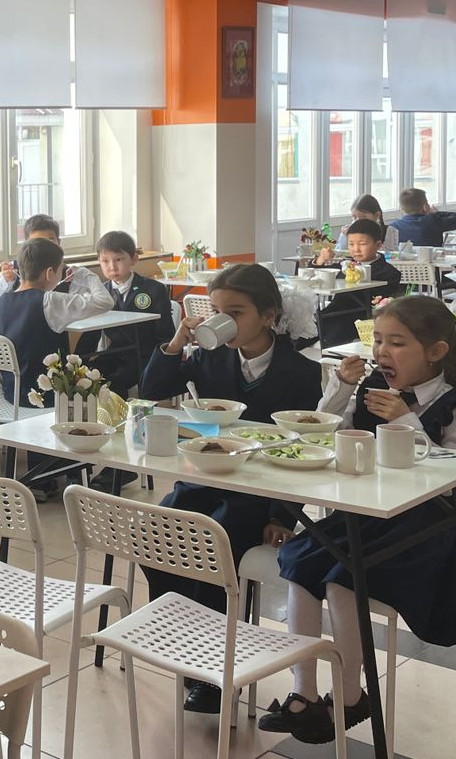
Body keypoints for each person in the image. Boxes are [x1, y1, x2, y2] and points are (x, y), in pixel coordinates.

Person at [259, 297, 456, 744]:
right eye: (379, 341)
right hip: (364, 516)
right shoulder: (372, 388)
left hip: (423, 529)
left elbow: (454, 473)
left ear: (436, 352)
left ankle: (350, 696)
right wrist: (341, 387)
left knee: (343, 577)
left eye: (397, 343)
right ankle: (303, 692)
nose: (383, 352)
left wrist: (407, 420)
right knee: (298, 563)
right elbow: (327, 431)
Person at [138, 263, 323, 713]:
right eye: (218, 312)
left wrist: (282, 515)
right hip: (206, 476)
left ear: (269, 315)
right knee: (153, 533)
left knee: (215, 541)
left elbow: (306, 449)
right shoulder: (210, 357)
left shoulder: (300, 371)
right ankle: (184, 640)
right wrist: (177, 343)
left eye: (236, 313)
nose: (224, 322)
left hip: (259, 491)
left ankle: (216, 670)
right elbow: (151, 389)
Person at [0, 238, 112, 496]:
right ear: (49, 273)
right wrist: (86, 275)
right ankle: (72, 473)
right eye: (60, 271)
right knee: (82, 386)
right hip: (49, 397)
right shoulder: (50, 301)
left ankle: (42, 478)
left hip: (12, 393)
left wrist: (4, 390)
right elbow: (104, 302)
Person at [84, 230, 174, 397]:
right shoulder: (100, 293)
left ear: (134, 259)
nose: (112, 267)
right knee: (86, 376)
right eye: (105, 261)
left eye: (119, 259)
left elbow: (165, 334)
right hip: (115, 354)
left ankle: (121, 413)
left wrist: (161, 363)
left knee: (115, 382)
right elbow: (91, 332)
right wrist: (77, 361)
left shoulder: (154, 289)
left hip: (146, 355)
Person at [316, 219, 406, 348]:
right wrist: (321, 260)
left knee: (332, 334)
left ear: (378, 245)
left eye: (362, 244)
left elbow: (379, 305)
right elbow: (318, 273)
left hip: (361, 319)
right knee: (304, 327)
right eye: (351, 244)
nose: (356, 249)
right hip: (333, 312)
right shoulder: (345, 264)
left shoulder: (389, 273)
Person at [0, 214, 76, 295]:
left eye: (50, 241)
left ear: (58, 243)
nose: (44, 248)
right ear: (26, 245)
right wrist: (7, 282)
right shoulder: (13, 270)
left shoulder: (70, 276)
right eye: (36, 242)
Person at [387, 187, 456, 247]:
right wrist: (436, 213)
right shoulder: (433, 222)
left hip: (402, 263)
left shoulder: (393, 227)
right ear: (425, 207)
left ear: (401, 208)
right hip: (432, 262)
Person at [328, 194, 399, 252]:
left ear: (376, 215)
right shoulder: (348, 232)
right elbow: (339, 254)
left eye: (364, 217)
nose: (358, 221)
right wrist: (346, 237)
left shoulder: (389, 231)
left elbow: (392, 256)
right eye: (354, 217)